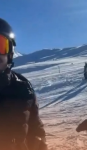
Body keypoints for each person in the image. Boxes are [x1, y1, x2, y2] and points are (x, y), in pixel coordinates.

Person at [0, 18, 48, 150]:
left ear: (10, 52)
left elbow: (36, 128)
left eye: (0, 45)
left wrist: (40, 144)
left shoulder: (23, 88)